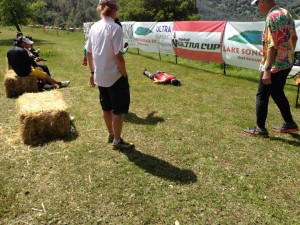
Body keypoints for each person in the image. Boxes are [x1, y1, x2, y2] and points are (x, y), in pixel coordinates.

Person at [244, 0, 298, 136]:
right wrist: (288, 54)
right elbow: (294, 37)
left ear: (263, 1)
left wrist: (267, 70)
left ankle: (260, 128)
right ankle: (289, 123)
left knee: (262, 95)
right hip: (286, 62)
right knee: (277, 92)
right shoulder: (285, 13)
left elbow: (272, 46)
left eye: (257, 3)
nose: (257, 7)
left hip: (273, 65)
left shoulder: (271, 17)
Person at [86, 0, 134, 150]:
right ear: (114, 9)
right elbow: (118, 56)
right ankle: (117, 141)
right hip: (115, 77)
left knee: (106, 108)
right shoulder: (115, 27)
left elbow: (88, 53)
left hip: (100, 76)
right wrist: (124, 73)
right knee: (118, 111)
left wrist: (92, 72)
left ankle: (111, 134)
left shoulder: (94, 27)